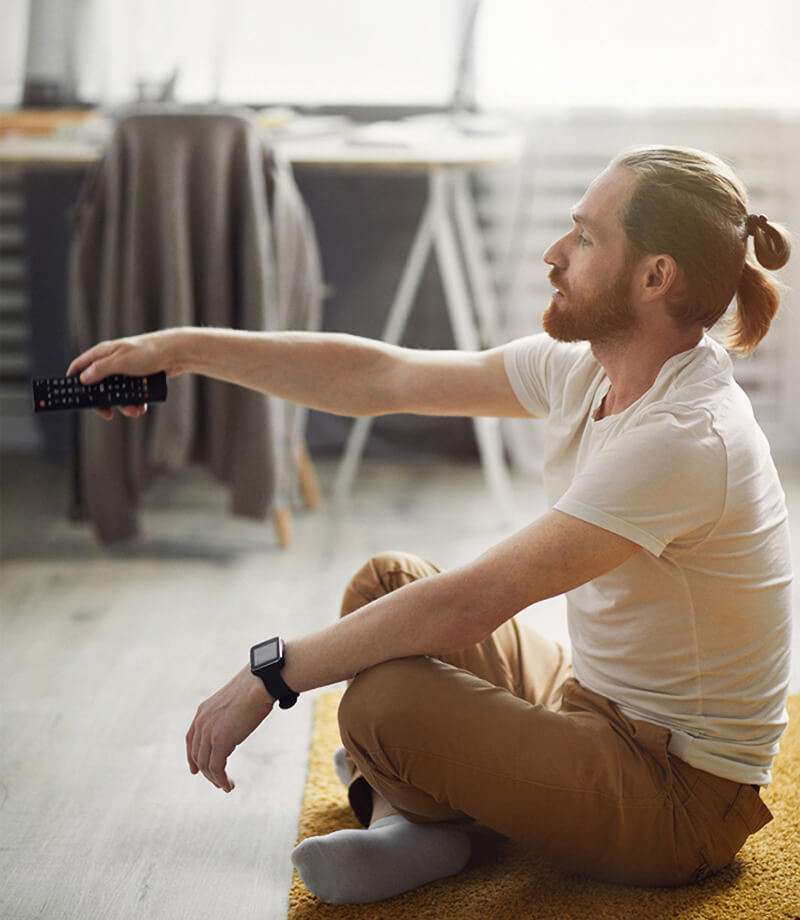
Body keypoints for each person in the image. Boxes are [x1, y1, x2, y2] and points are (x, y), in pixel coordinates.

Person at [65, 145, 794, 904]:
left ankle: (417, 819)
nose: (555, 254)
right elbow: (386, 378)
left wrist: (267, 673)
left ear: (655, 276)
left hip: (675, 796)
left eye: (583, 238)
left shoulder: (683, 437)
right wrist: (182, 351)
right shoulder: (595, 368)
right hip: (595, 701)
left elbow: (469, 606)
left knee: (384, 704)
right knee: (386, 586)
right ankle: (417, 827)